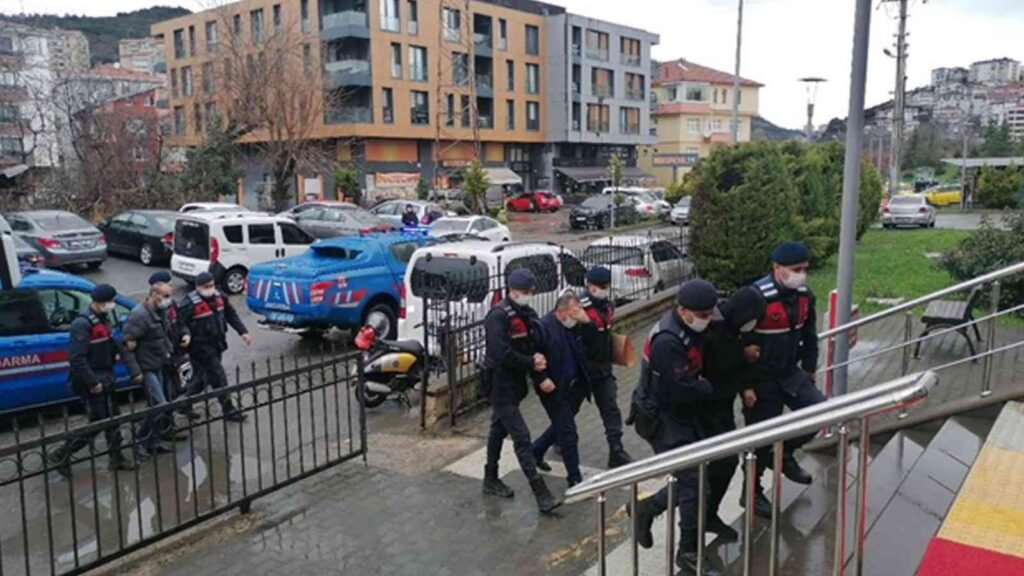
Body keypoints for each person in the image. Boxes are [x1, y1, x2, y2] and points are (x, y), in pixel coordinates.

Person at [631, 280, 720, 576]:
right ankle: (688, 552)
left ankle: (647, 508)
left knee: (692, 480)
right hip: (663, 420)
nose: (707, 319)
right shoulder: (667, 342)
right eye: (703, 315)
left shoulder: (691, 326)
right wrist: (706, 388)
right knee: (694, 484)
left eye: (709, 313)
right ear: (683, 311)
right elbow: (680, 390)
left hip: (682, 416)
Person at [741, 241, 824, 519]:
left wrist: (809, 370)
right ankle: (751, 492)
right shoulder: (755, 297)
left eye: (804, 269)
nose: (801, 274)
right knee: (760, 437)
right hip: (760, 379)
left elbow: (810, 336)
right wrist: (745, 385)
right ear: (777, 268)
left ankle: (784, 454)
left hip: (790, 372)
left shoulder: (804, 297)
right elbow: (732, 340)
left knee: (820, 411)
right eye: (795, 269)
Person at [480, 268, 561, 514]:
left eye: (529, 291)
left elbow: (532, 344)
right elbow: (500, 352)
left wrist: (539, 369)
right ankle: (541, 494)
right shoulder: (498, 316)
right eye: (523, 291)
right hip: (499, 385)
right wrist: (530, 363)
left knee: (498, 429)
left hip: (515, 385)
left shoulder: (526, 314)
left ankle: (490, 478)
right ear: (511, 290)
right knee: (522, 437)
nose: (527, 295)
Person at [698, 286, 767, 542]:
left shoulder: (734, 326)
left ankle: (709, 514)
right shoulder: (712, 329)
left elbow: (738, 363)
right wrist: (742, 354)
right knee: (696, 473)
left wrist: (745, 386)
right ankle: (652, 508)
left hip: (722, 404)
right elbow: (720, 362)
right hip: (705, 407)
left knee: (724, 463)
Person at [47, 284, 136, 478]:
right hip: (92, 379)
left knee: (113, 419)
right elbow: (77, 359)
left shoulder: (103, 319)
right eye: (109, 301)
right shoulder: (82, 324)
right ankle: (61, 453)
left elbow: (110, 344)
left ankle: (117, 457)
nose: (111, 305)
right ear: (99, 302)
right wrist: (93, 382)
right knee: (99, 421)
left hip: (106, 375)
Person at [530, 291, 591, 488]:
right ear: (562, 312)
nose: (577, 317)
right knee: (568, 432)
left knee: (561, 424)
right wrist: (541, 378)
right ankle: (574, 478)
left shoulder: (576, 326)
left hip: (574, 386)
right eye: (574, 313)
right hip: (553, 389)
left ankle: (536, 450)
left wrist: (588, 324)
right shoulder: (543, 328)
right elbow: (533, 357)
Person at [576, 266, 633, 468]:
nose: (603, 290)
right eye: (599, 286)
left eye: (605, 286)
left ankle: (616, 450)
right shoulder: (578, 307)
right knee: (568, 410)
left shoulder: (608, 305)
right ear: (588, 286)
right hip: (582, 370)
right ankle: (553, 439)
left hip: (603, 368)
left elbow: (607, 333)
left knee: (611, 409)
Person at [177, 272, 252, 422]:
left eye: (211, 285)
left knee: (202, 378)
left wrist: (243, 332)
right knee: (219, 377)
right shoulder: (189, 303)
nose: (210, 289)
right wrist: (184, 340)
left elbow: (230, 314)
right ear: (198, 287)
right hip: (200, 347)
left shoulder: (219, 297)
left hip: (217, 343)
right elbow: (180, 324)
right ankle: (229, 410)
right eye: (206, 286)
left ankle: (183, 403)